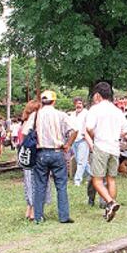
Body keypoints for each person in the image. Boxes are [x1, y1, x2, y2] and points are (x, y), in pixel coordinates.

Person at [86, 82, 127, 222]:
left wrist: (93, 136)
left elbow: (89, 128)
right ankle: (109, 208)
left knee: (97, 179)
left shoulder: (95, 109)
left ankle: (110, 202)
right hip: (114, 148)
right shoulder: (117, 110)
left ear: (97, 95)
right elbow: (126, 130)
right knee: (111, 179)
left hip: (101, 147)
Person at [24, 90, 77, 224]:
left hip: (40, 154)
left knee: (40, 185)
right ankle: (63, 216)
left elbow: (25, 132)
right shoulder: (61, 115)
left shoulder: (35, 115)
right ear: (54, 101)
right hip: (57, 153)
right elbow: (74, 130)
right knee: (61, 185)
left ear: (42, 101)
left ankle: (38, 217)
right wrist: (68, 145)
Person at [69, 97, 91, 186]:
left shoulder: (87, 113)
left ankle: (77, 180)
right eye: (77, 103)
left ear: (83, 104)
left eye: (80, 103)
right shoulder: (72, 114)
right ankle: (92, 175)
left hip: (83, 140)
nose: (78, 105)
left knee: (82, 161)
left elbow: (89, 127)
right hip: (74, 140)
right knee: (80, 161)